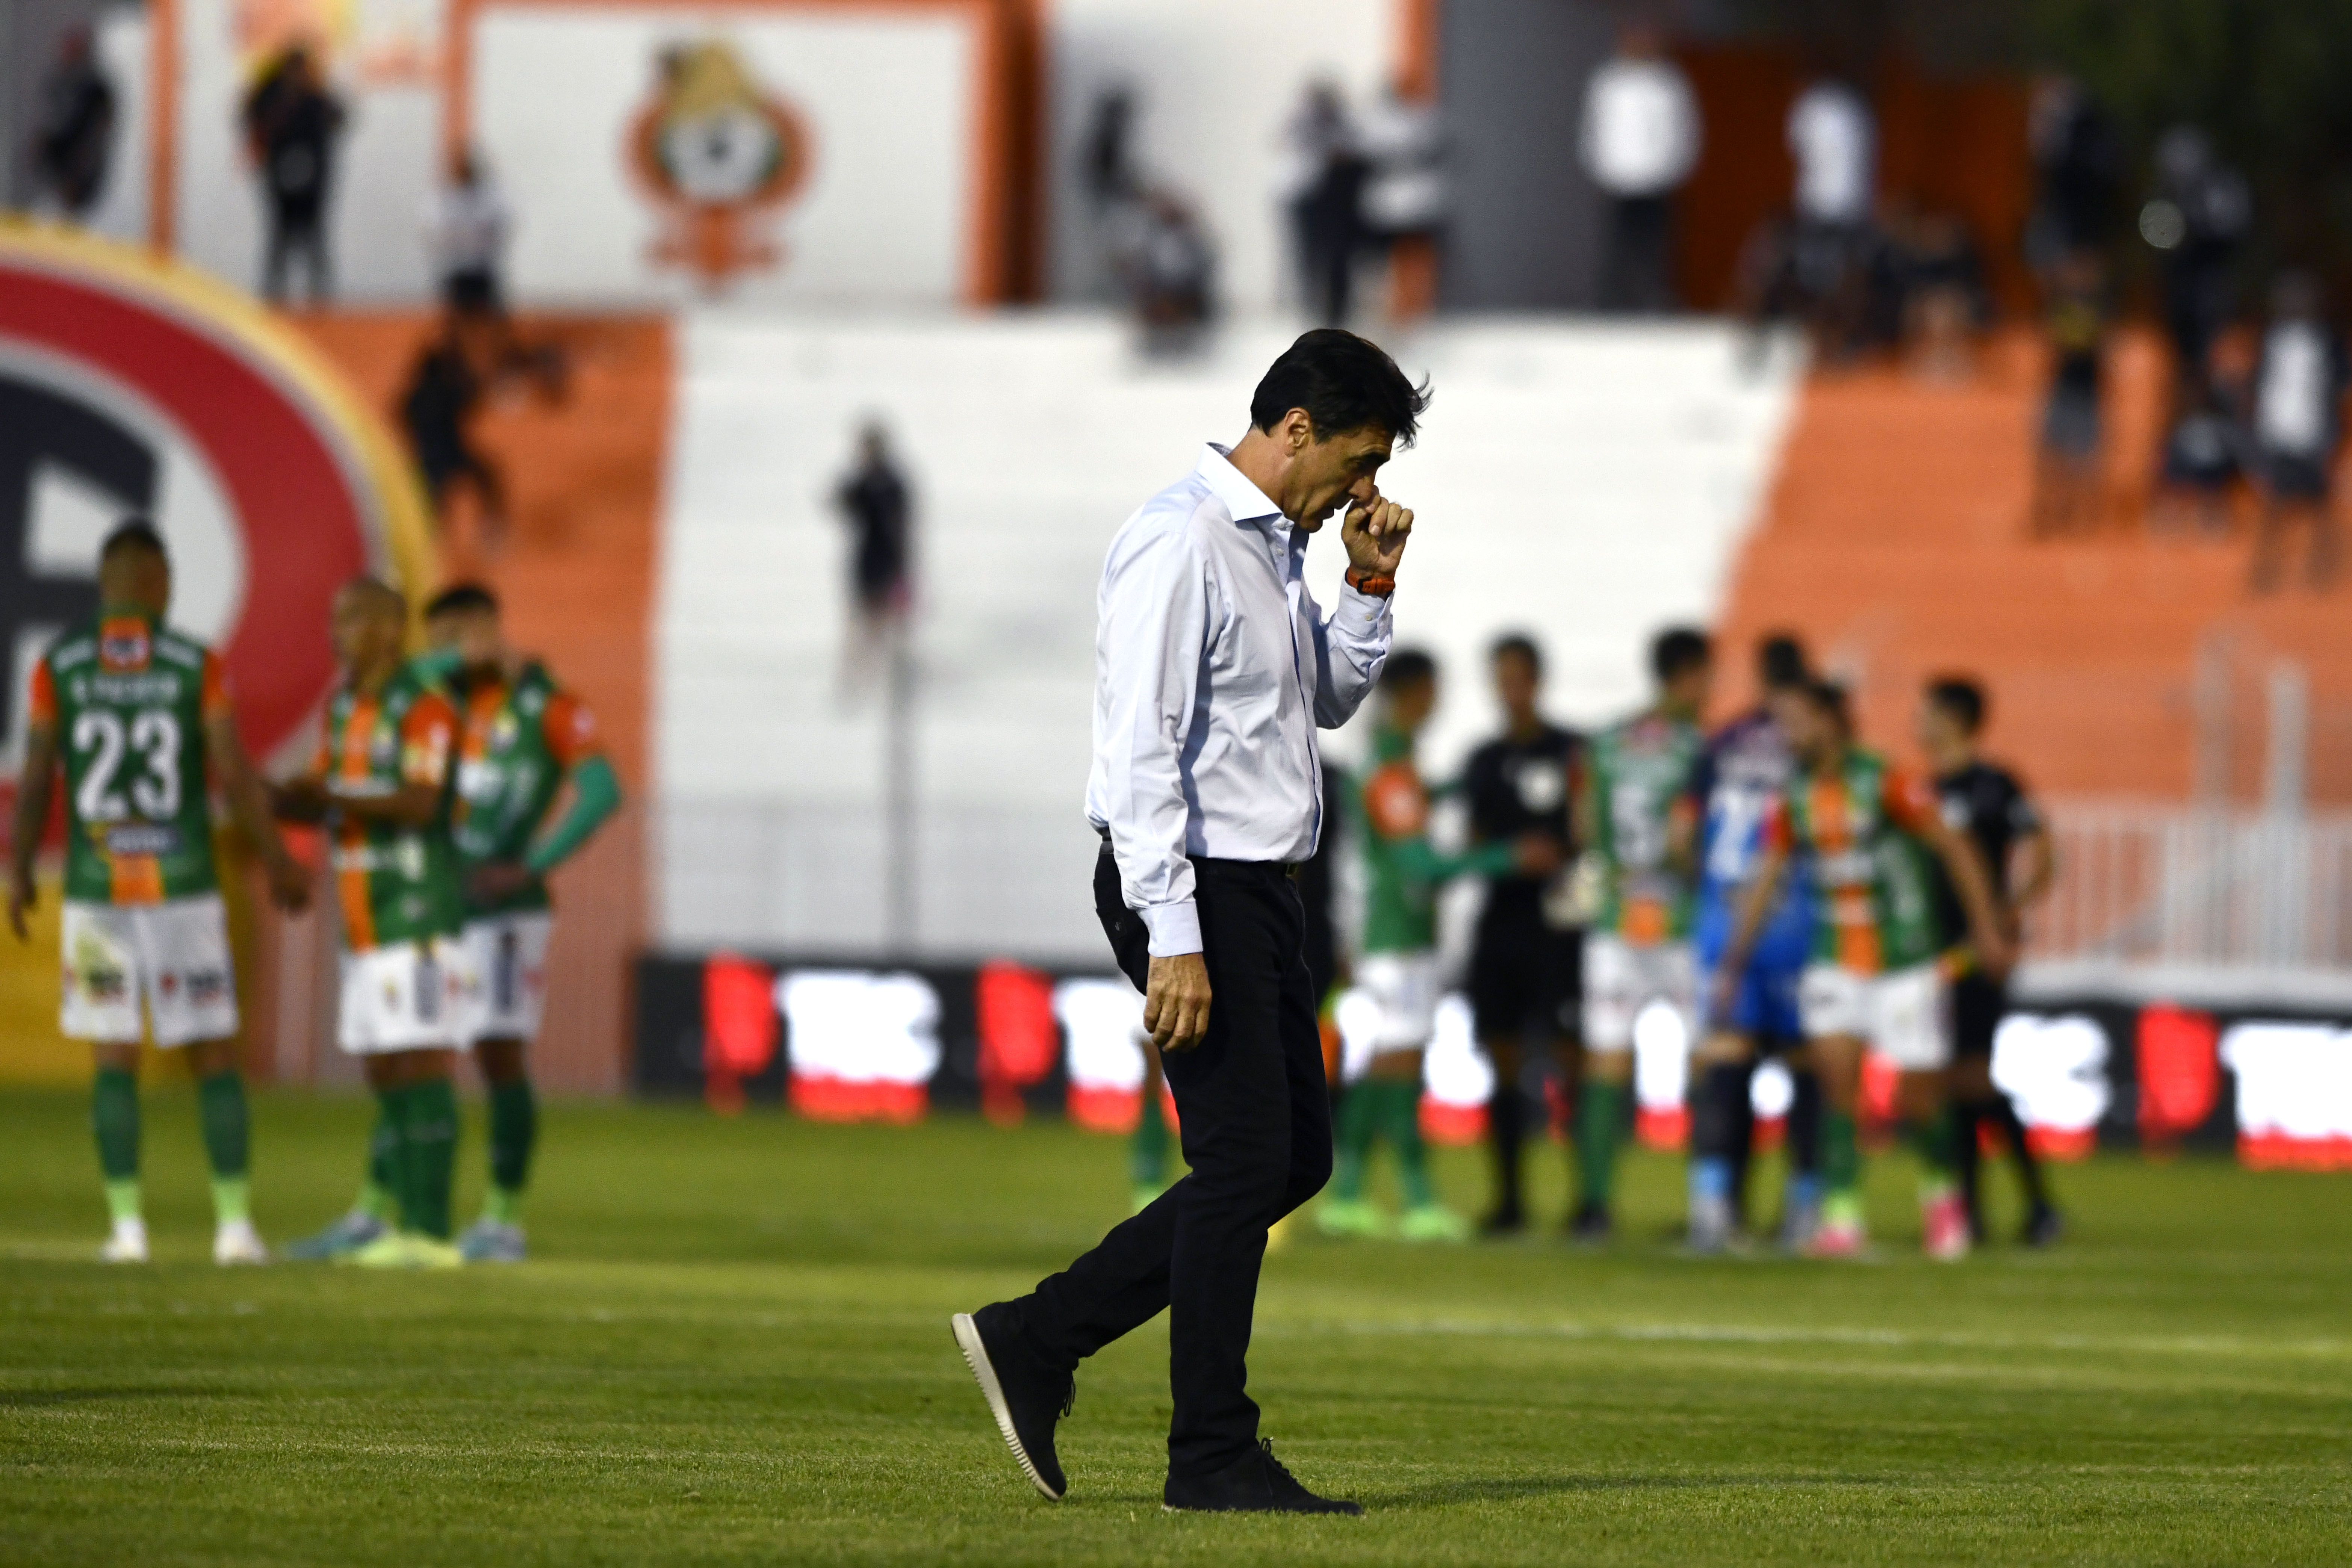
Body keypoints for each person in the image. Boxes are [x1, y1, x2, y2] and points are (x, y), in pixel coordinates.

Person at [952, 328, 1427, 1515]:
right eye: (1356, 461)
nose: (1362, 490)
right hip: (1196, 879)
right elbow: (1139, 748)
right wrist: (1172, 928)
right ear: (1295, 428)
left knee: (1290, 1157)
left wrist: (1366, 584)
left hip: (1260, 883)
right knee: (1243, 1162)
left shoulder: (1273, 545)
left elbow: (1321, 698)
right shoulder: (1180, 537)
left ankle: (1039, 1335)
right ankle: (1208, 1449)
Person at [6, 521, 312, 1265]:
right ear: (153, 581)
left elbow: (39, 773)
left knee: (114, 1053)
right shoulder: (192, 664)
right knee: (214, 1053)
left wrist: (17, 869)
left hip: (98, 894)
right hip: (181, 888)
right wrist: (276, 857)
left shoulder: (60, 666)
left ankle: (126, 1229)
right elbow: (234, 771)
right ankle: (235, 1226)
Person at [1716, 679, 2012, 1261]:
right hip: (1833, 959)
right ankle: (1841, 1216)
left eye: (1798, 721)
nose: (1790, 736)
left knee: (1917, 1100)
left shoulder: (1885, 780)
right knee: (1835, 1084)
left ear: (1830, 721)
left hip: (1902, 958)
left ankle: (1941, 1199)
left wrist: (1985, 927)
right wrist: (1733, 960)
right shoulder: (1794, 795)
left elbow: (1953, 846)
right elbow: (1768, 874)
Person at [422, 583, 624, 1261]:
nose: (438, 656)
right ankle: (391, 1210)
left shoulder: (549, 704)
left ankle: (502, 1217)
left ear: (483, 627)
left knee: (497, 1053)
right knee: (409, 1054)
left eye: (449, 639)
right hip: (436, 905)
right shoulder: (444, 702)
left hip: (505, 913)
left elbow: (602, 791)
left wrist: (533, 864)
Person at [1321, 649, 1549, 1243]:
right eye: (1430, 692)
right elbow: (1417, 863)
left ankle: (1355, 1192)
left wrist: (1456, 788)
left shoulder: (1398, 768)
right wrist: (1505, 856)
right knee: (1396, 1062)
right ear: (1408, 695)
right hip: (1394, 938)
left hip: (1402, 935)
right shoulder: (1389, 773)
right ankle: (1398, 1195)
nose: (1436, 704)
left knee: (1394, 1061)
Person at [275, 579, 470, 1269]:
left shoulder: (424, 708)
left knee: (420, 1059)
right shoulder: (344, 708)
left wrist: (326, 792)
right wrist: (260, 794)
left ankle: (431, 1232)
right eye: (335, 617)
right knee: (385, 1067)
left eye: (353, 618)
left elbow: (419, 802)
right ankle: (398, 1226)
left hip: (414, 905)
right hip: (361, 917)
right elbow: (327, 800)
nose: (338, 631)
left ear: (392, 631)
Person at [1570, 627, 1710, 1241]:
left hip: (1614, 922)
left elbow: (1582, 828)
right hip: (1680, 922)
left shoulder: (1604, 743)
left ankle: (1593, 1205)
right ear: (1684, 676)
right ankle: (1711, 1205)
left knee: (1604, 1062)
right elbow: (1693, 840)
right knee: (1701, 1062)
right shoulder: (1697, 749)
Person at [1685, 634, 1818, 1253]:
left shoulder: (1721, 742)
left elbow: (1683, 830)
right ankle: (1804, 1208)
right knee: (1803, 1068)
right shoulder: (1813, 747)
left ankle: (1716, 1206)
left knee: (1725, 1063)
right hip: (1796, 923)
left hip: (1723, 916)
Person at [1917, 677, 2059, 1247]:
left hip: (1977, 949)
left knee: (1970, 1075)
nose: (1917, 724)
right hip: (1931, 953)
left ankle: (2030, 1203)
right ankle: (1980, 1209)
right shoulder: (1921, 789)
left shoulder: (1993, 784)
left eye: (1925, 713)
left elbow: (2044, 851)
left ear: (1953, 719)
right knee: (1951, 1079)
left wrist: (2006, 913)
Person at [1461, 633, 1582, 1235]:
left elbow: (1592, 833)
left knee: (1570, 1060)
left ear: (1536, 680)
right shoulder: (1483, 759)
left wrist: (1561, 857)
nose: (1509, 691)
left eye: (1517, 678)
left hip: (1560, 928)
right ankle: (1509, 1200)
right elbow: (1470, 842)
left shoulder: (1572, 752)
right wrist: (1511, 854)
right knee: (1502, 1059)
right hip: (1502, 927)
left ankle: (1587, 1200)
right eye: (1499, 679)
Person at [1579, 22, 1701, 313]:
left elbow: (1683, 130)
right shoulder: (1609, 81)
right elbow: (1595, 129)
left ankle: (1655, 300)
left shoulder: (1667, 83)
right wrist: (1599, 168)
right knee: (1618, 244)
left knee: (1656, 245)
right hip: (1618, 177)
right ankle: (1614, 303)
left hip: (1656, 178)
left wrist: (1676, 169)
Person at [2247, 272, 2347, 593]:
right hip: (2279, 431)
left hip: (2313, 432)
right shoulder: (2270, 340)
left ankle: (2321, 568)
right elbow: (2260, 387)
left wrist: (2333, 433)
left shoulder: (2325, 341)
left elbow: (2336, 387)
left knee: (2319, 505)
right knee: (2275, 504)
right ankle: (2266, 569)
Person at [241, 45, 347, 304]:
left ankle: (318, 296)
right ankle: (275, 294)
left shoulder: (314, 98)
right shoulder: (271, 96)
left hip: (313, 176)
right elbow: (251, 114)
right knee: (280, 233)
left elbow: (339, 118)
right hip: (279, 173)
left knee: (313, 235)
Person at [399, 310, 510, 546]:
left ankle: (439, 545)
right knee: (483, 482)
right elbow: (470, 399)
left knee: (438, 506)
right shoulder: (447, 389)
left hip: (433, 457)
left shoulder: (419, 396)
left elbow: (402, 418)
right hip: (442, 456)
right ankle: (487, 534)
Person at [2031, 249, 2108, 536]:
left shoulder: (2097, 311)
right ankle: (2051, 510)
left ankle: (2082, 516)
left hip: (2085, 393)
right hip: (2063, 389)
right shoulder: (2060, 309)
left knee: (2085, 457)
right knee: (2053, 452)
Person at [833, 423, 914, 693]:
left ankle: (873, 676)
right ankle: (867, 675)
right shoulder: (875, 482)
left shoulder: (884, 484)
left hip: (882, 562)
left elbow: (899, 526)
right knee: (868, 623)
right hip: (873, 562)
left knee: (876, 624)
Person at [1357, 80, 1448, 318]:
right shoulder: (1372, 123)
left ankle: (1422, 306)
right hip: (1384, 199)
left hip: (1417, 198)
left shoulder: (1420, 119)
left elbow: (1433, 149)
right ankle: (1380, 308)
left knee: (1420, 253)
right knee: (1377, 259)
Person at [1277, 82, 1366, 325]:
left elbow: (1355, 151)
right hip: (1306, 201)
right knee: (1308, 259)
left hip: (1338, 204)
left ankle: (1336, 314)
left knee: (1338, 262)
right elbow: (1286, 146)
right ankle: (1309, 309)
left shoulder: (1346, 125)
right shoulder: (1300, 124)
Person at [31, 24, 117, 221]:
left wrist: (79, 174)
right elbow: (48, 123)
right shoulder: (58, 83)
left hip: (79, 175)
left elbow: (96, 137)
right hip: (58, 170)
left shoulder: (94, 89)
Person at [424, 147, 512, 315]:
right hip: (455, 267)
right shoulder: (443, 199)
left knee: (491, 313)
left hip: (483, 266)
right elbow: (433, 230)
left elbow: (501, 224)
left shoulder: (490, 196)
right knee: (455, 313)